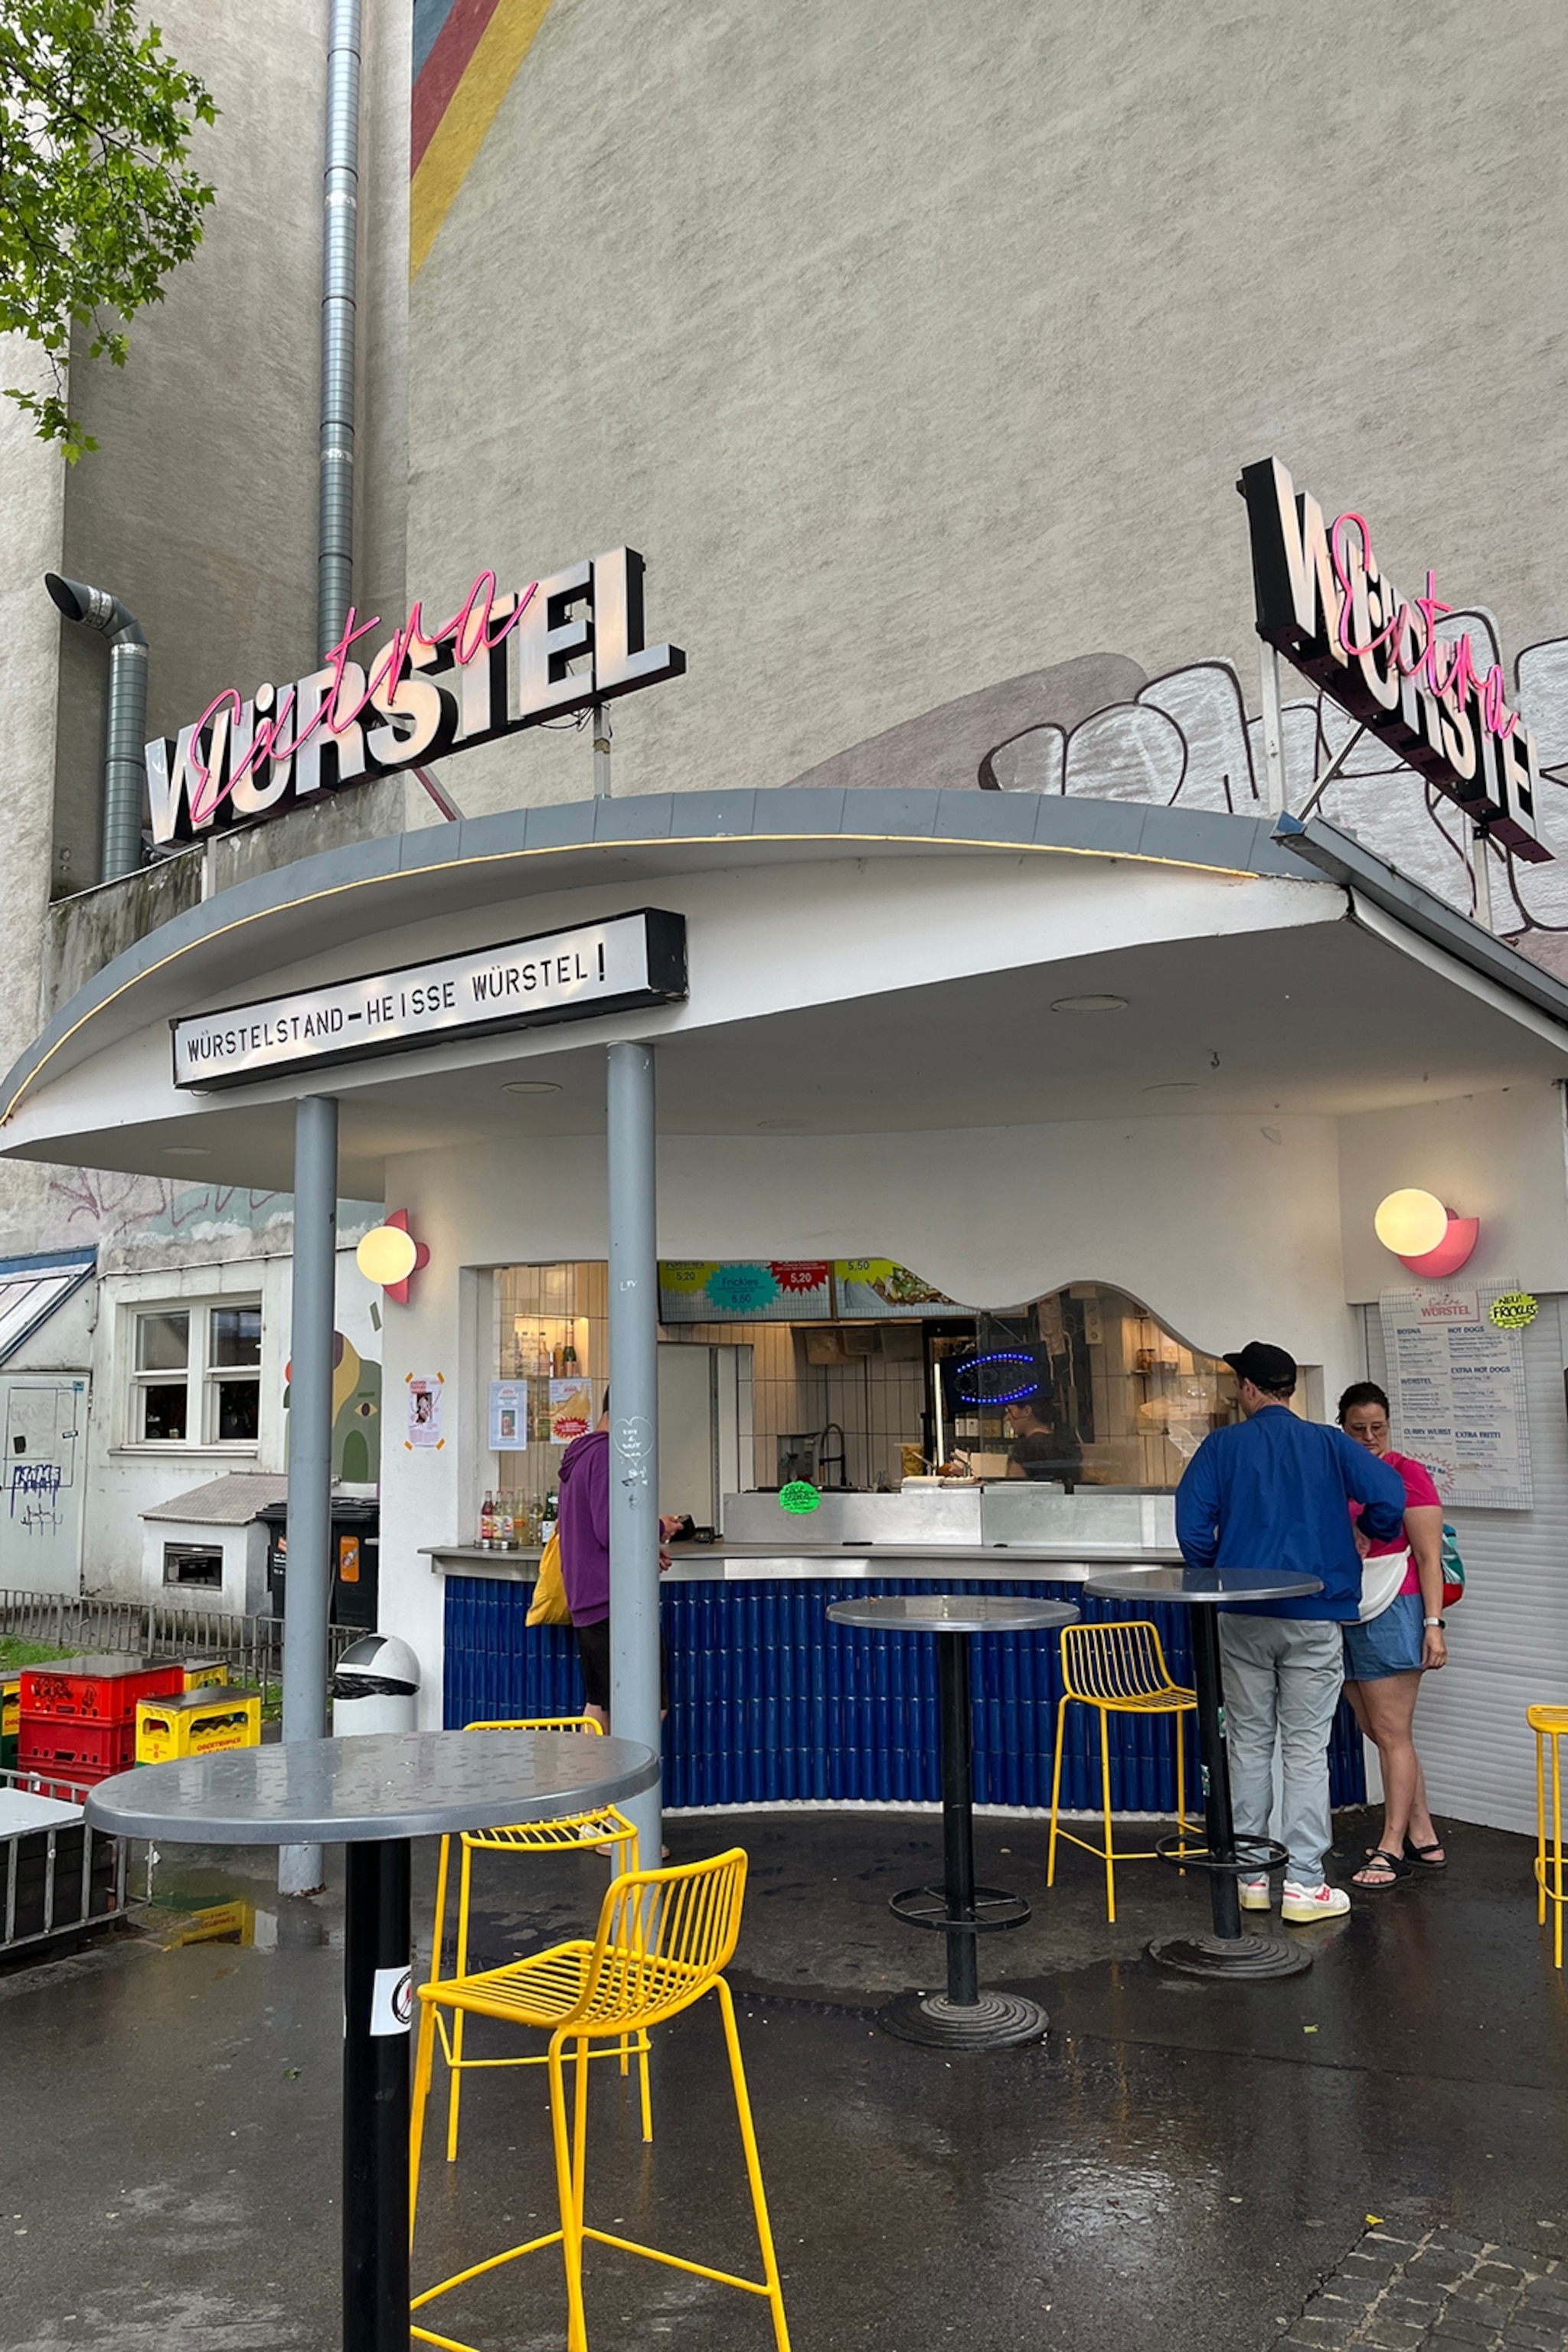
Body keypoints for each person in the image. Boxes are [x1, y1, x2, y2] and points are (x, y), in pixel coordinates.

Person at [1174, 1341, 1406, 1922]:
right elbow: (1389, 1496)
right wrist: (1368, 1535)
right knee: (1306, 1749)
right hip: (1314, 1612)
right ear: (1289, 1389)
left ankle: (1252, 1876)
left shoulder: (1223, 1445)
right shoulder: (1329, 1443)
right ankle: (1304, 1884)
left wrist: (1217, 1568)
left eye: (1239, 1385)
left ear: (1250, 1389)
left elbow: (1191, 1524)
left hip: (1244, 1614)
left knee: (1249, 1742)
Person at [1336, 1381, 1449, 1888]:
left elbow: (1429, 1557)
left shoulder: (1409, 1475)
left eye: (1377, 1428)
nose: (1369, 1438)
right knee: (1376, 1729)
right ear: (1343, 1428)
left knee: (1391, 1731)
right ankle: (1423, 1834)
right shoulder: (1337, 1478)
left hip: (1397, 1606)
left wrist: (1434, 1625)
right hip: (1347, 1609)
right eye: (1358, 1429)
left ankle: (1391, 1846)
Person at [557, 1393, 680, 1730]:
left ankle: (588, 1780)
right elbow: (611, 1529)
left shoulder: (580, 1455)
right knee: (647, 1709)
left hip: (588, 1599)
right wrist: (656, 1527)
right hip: (612, 1602)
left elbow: (591, 1527)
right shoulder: (607, 1454)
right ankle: (617, 1782)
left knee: (601, 1710)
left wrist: (644, 1548)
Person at [1005, 1387, 1082, 1485]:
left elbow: (1014, 1488)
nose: (1007, 1418)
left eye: (1010, 1410)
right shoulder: (1066, 1444)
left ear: (1027, 1411)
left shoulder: (1024, 1449)